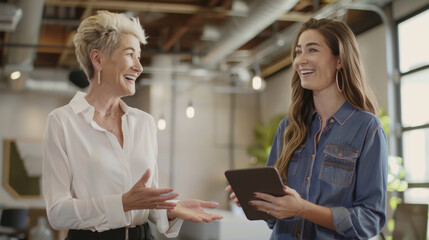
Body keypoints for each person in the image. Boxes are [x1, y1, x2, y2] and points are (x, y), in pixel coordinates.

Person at [42, 11, 222, 240]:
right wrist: (123, 203)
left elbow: (146, 204)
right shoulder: (62, 122)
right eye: (130, 55)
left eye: (139, 57)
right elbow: (58, 213)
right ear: (97, 59)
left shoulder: (144, 123)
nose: (139, 67)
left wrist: (169, 209)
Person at [227, 18, 388, 239]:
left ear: (339, 60)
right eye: (298, 52)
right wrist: (259, 201)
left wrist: (302, 208)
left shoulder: (367, 128)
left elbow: (371, 220)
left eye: (312, 50)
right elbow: (273, 220)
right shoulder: (288, 127)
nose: (300, 60)